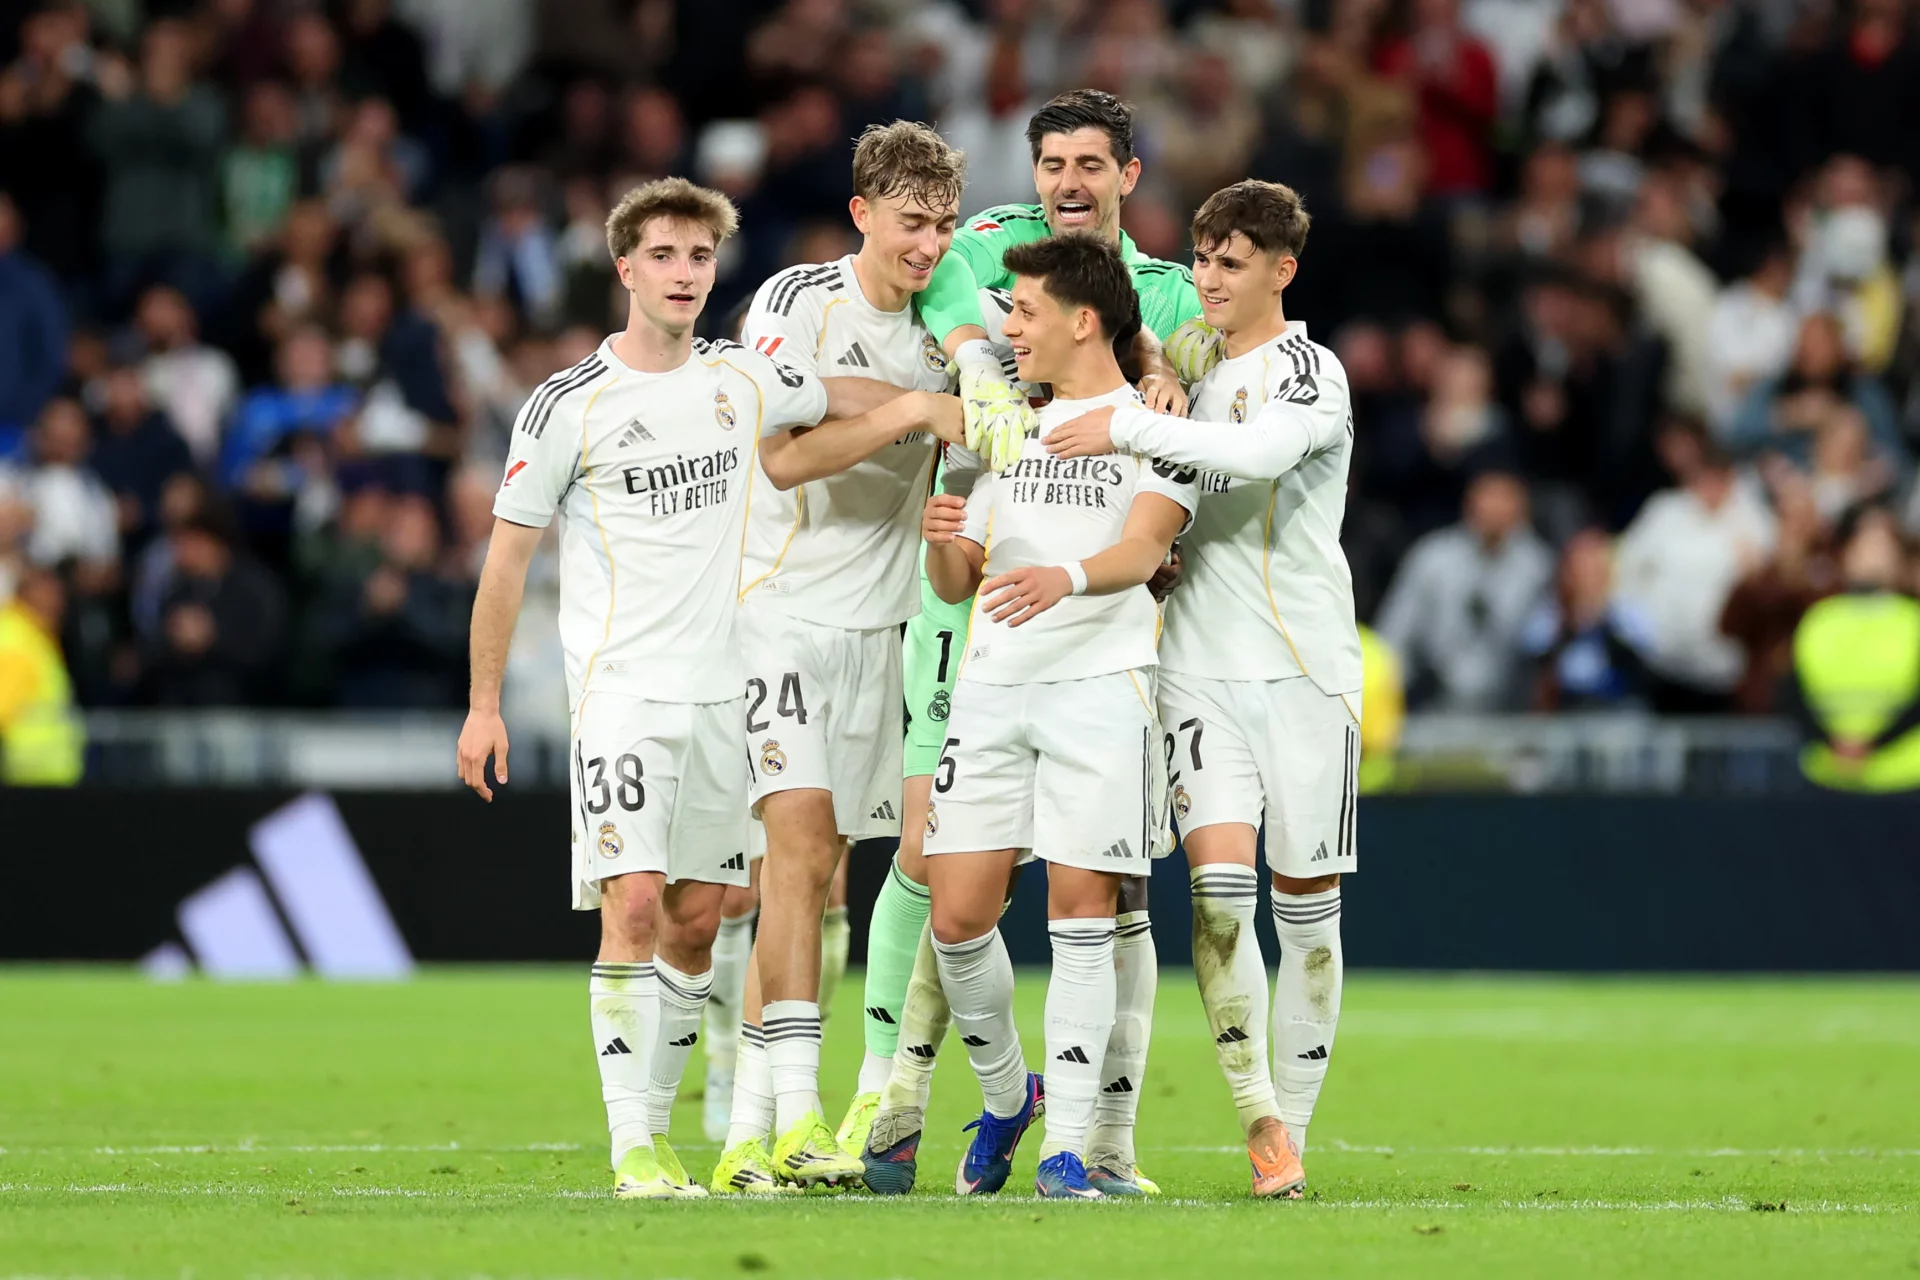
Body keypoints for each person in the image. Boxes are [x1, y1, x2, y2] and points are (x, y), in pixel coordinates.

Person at [452, 177, 954, 1201]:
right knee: (635, 904)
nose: (684, 274)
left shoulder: (739, 378)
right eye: (664, 256)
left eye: (699, 257)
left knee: (697, 918)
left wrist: (927, 404)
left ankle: (675, 1129)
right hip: (623, 692)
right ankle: (632, 1143)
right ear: (625, 268)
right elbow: (505, 559)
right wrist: (484, 702)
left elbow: (831, 395)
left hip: (727, 692)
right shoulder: (568, 404)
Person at [861, 89, 1200, 1192]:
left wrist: (1064, 575)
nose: (1008, 328)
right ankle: (1009, 1094)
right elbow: (959, 576)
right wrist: (944, 542)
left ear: (1084, 320)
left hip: (1103, 686)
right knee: (958, 916)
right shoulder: (1002, 423)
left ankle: (1075, 1149)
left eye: (1027, 313)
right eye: (1051, 161)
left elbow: (1148, 545)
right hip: (993, 687)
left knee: (1086, 912)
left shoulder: (1158, 426)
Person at [1046, 179, 1361, 1199]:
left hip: (1305, 669)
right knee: (1219, 899)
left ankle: (1297, 1127)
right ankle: (1263, 1123)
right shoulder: (1183, 366)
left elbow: (1259, 455)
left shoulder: (1310, 372)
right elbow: (1142, 407)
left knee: (1308, 915)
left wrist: (1132, 429)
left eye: (1233, 262)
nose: (1211, 279)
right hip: (1196, 670)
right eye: (1203, 259)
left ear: (1282, 269)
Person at [708, 121, 969, 1193]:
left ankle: (751, 1133)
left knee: (814, 881)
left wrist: (898, 400)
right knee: (800, 850)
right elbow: (781, 452)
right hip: (776, 612)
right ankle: (790, 1118)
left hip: (879, 632)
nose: (929, 246)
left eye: (944, 225)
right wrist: (911, 409)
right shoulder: (798, 300)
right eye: (911, 223)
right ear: (862, 213)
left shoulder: (950, 328)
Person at [1791, 508, 1920, 792]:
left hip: (1904, 779)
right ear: (1845, 553)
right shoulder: (1819, 620)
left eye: (1882, 547)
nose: (1872, 556)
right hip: (1828, 776)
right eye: (1863, 545)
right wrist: (1832, 742)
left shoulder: (1913, 620)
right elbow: (1793, 694)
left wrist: (1871, 745)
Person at [0, 567, 83, 786]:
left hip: (43, 776)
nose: (59, 603)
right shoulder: (17, 642)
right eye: (50, 593)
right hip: (27, 775)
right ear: (27, 594)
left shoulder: (34, 637)